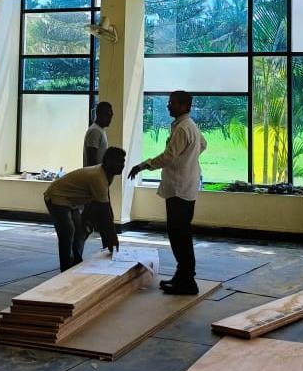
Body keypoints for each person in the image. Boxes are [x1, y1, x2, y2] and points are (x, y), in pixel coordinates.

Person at [129, 91, 206, 295]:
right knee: (181, 233)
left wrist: (144, 165)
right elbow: (203, 144)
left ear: (183, 106)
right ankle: (182, 276)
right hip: (186, 186)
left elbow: (168, 157)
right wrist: (188, 159)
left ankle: (187, 280)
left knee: (179, 234)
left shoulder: (182, 128)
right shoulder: (189, 125)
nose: (168, 106)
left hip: (179, 188)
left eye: (172, 103)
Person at [43, 146, 124, 271]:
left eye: (123, 161)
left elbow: (106, 205)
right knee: (68, 232)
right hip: (56, 196)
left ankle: (76, 263)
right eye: (118, 161)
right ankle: (66, 269)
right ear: (108, 161)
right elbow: (105, 214)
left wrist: (108, 236)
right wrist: (112, 239)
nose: (122, 165)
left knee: (80, 231)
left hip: (72, 201)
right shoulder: (98, 177)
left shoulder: (107, 175)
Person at [83, 102, 113, 167]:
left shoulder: (100, 130)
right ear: (99, 114)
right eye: (107, 115)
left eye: (111, 115)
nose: (110, 118)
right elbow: (91, 160)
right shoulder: (95, 131)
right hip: (94, 173)